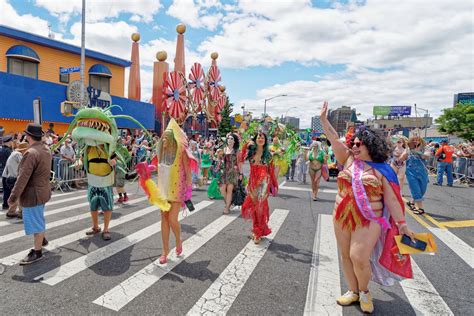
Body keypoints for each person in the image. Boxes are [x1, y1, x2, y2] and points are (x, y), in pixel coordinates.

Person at [320, 102, 414, 313]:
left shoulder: (383, 169)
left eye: (359, 143)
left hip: (370, 219)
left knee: (359, 257)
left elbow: (391, 200)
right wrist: (324, 120)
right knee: (345, 255)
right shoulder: (348, 160)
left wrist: (402, 224)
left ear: (371, 145)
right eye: (353, 142)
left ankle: (364, 292)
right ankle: (353, 291)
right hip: (341, 216)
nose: (354, 146)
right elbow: (334, 138)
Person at [8, 124, 51, 265]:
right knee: (38, 218)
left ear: (28, 136)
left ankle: (37, 251)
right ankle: (41, 239)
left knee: (35, 222)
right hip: (43, 191)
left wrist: (13, 197)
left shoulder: (31, 153)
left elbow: (23, 177)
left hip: (33, 194)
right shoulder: (46, 149)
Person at [154, 119, 195, 264]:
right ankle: (165, 251)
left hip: (177, 188)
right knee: (164, 219)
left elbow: (188, 169)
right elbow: (157, 168)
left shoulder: (181, 150)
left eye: (167, 137)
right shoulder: (160, 152)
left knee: (172, 219)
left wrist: (188, 188)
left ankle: (178, 239)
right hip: (163, 189)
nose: (164, 139)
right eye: (163, 137)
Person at [240, 131, 278, 244]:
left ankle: (258, 231)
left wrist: (272, 184)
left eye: (263, 137)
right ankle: (257, 229)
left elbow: (271, 171)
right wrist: (246, 144)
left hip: (264, 182)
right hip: (253, 182)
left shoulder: (268, 154)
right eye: (258, 137)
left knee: (261, 206)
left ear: (265, 141)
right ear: (255, 140)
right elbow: (240, 158)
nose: (260, 139)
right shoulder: (251, 153)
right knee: (255, 206)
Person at [405, 136, 431, 215]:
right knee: (415, 188)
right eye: (413, 140)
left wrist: (417, 152)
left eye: (417, 140)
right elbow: (403, 157)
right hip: (410, 171)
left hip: (422, 172)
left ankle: (412, 203)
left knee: (422, 190)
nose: (415, 141)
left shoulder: (425, 148)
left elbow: (426, 156)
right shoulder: (408, 149)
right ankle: (420, 208)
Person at [3, 141, 28, 218]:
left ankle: (11, 212)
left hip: (9, 177)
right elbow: (24, 165)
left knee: (16, 195)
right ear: (24, 150)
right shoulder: (18, 155)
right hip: (13, 177)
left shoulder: (13, 153)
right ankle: (21, 212)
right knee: (20, 195)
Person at [219, 133, 242, 214]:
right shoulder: (223, 149)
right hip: (224, 172)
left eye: (232, 138)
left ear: (234, 141)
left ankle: (227, 207)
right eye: (228, 138)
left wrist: (241, 174)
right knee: (222, 189)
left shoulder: (237, 151)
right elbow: (219, 160)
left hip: (233, 172)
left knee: (229, 190)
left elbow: (239, 163)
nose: (229, 140)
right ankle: (229, 202)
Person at [1, 135, 13, 210]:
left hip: (3, 172)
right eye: (11, 141)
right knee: (9, 190)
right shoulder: (9, 151)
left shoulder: (1, 150)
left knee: (5, 190)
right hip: (9, 172)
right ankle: (8, 205)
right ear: (8, 142)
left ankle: (5, 204)